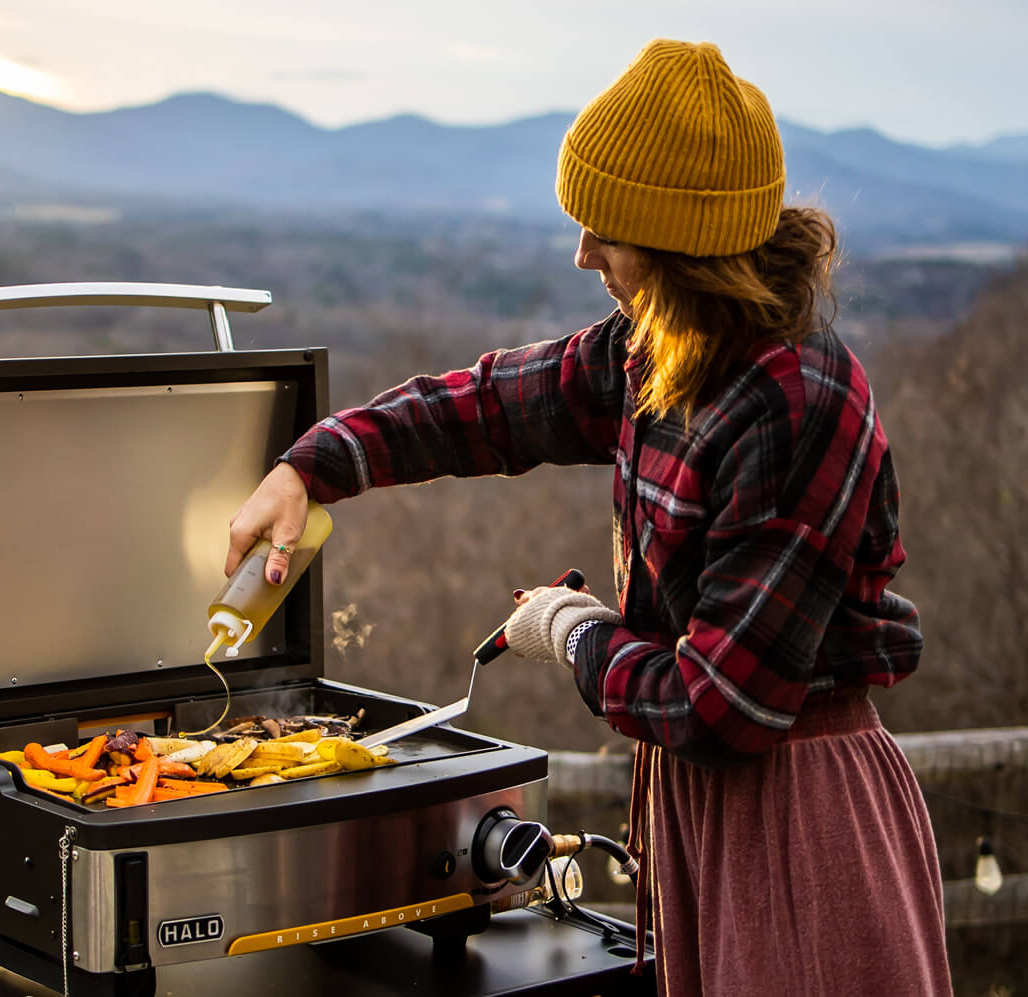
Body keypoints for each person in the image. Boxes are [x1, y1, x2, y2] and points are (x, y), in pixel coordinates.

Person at [224, 38, 953, 997]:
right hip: (699, 801)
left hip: (794, 811)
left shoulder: (794, 402)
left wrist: (572, 633)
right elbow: (486, 406)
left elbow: (715, 708)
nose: (581, 255)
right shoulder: (656, 347)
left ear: (679, 241)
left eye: (605, 230)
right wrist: (312, 464)